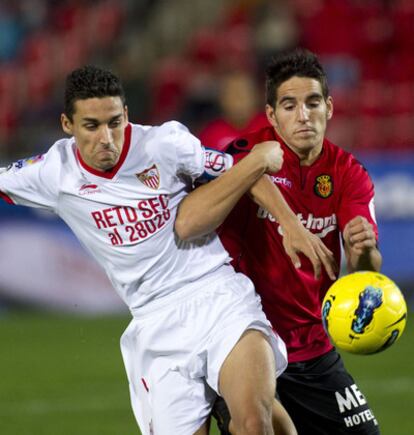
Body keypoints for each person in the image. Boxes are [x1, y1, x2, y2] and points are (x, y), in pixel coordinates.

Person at [0, 65, 305, 435]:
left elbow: (242, 171)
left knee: (254, 423)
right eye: (92, 126)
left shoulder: (164, 144)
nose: (107, 138)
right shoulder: (53, 172)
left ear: (127, 114)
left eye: (115, 122)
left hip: (217, 295)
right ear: (68, 125)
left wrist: (290, 224)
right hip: (155, 325)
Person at [211, 48, 382, 435]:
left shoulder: (349, 173)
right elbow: (236, 176)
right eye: (289, 105)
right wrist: (289, 222)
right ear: (271, 115)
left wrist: (364, 250)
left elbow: (365, 274)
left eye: (312, 102)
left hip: (313, 344)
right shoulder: (246, 154)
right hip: (247, 341)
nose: (303, 115)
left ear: (330, 108)